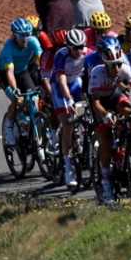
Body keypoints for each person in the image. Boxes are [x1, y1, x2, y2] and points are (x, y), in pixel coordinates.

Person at [88, 42, 131, 204]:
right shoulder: (97, 73)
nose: (116, 69)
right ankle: (106, 181)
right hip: (100, 102)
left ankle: (127, 146)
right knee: (106, 140)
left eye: (118, 64)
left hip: (114, 96)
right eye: (112, 65)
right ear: (105, 64)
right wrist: (106, 114)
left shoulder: (124, 69)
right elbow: (95, 102)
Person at [51, 28, 90, 188]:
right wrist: (68, 99)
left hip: (75, 84)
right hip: (61, 89)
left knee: (83, 115)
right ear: (68, 47)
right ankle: (68, 167)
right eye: (76, 48)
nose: (80, 50)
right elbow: (61, 80)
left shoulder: (87, 52)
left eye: (82, 46)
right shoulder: (61, 55)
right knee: (67, 123)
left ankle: (81, 139)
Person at [0, 18, 44, 149]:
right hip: (6, 74)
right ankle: (9, 127)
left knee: (34, 97)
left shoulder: (33, 41)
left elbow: (41, 58)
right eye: (21, 36)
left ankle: (28, 124)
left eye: (27, 35)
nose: (25, 39)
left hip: (23, 71)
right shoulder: (8, 49)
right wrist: (15, 89)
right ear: (14, 35)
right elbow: (10, 72)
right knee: (18, 100)